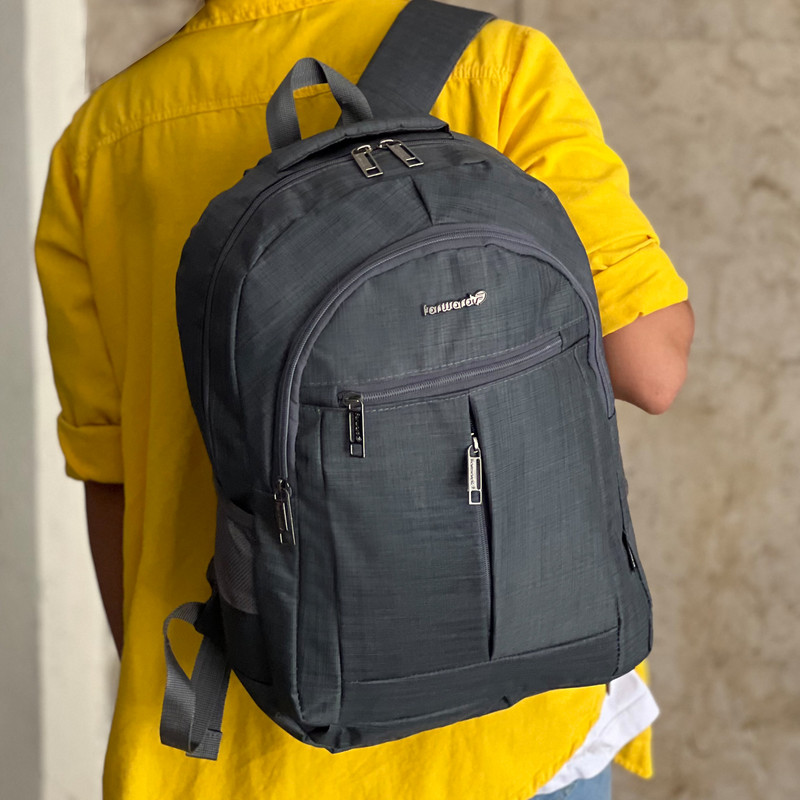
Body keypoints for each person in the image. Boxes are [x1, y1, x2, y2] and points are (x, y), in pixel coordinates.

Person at [35, 1, 694, 798]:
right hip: (500, 739)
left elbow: (112, 479)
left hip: (234, 749)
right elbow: (651, 368)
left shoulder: (101, 141)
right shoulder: (495, 69)